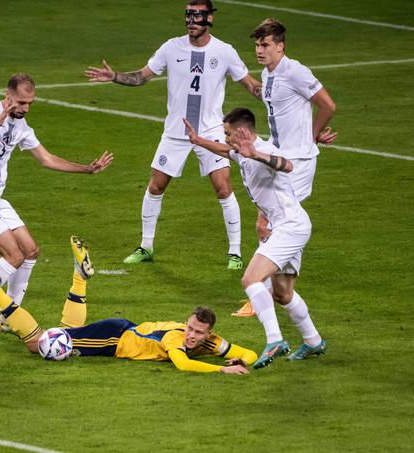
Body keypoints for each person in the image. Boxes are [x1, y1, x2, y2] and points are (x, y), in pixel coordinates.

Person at [85, 0, 262, 269]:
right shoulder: (171, 47)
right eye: (188, 15)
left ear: (209, 19)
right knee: (156, 186)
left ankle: (235, 253)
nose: (191, 20)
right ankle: (146, 247)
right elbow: (143, 76)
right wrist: (115, 77)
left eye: (197, 15)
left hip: (212, 131)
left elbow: (251, 85)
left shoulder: (224, 52)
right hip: (175, 132)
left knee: (223, 187)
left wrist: (278, 92)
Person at [0, 73, 113, 350]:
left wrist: (87, 169)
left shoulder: (22, 127)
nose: (25, 108)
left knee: (30, 250)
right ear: (8, 95)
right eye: (21, 102)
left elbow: (46, 159)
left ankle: (10, 317)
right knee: (14, 255)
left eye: (30, 103)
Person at [0, 236, 257, 374]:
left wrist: (241, 360)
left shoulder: (211, 343)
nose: (192, 335)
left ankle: (79, 277)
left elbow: (250, 353)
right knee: (38, 344)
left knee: (66, 330)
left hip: (118, 333)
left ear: (209, 333)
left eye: (198, 333)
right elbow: (183, 364)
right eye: (191, 328)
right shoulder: (176, 339)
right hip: (114, 339)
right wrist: (221, 371)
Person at [184, 108, 327, 368]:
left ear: (243, 132)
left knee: (251, 278)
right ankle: (313, 341)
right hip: (287, 225)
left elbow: (287, 165)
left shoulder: (263, 150)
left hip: (290, 226)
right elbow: (228, 151)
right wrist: (198, 141)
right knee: (283, 293)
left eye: (228, 133)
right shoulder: (240, 150)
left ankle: (274, 340)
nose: (225, 138)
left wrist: (257, 155)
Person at [232, 18, 337, 317]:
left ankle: (262, 291)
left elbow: (328, 105)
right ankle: (278, 286)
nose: (259, 50)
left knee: (273, 222)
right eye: (257, 45)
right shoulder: (267, 76)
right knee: (270, 222)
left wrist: (312, 135)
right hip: (279, 157)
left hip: (298, 163)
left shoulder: (296, 71)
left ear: (281, 46)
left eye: (265, 45)